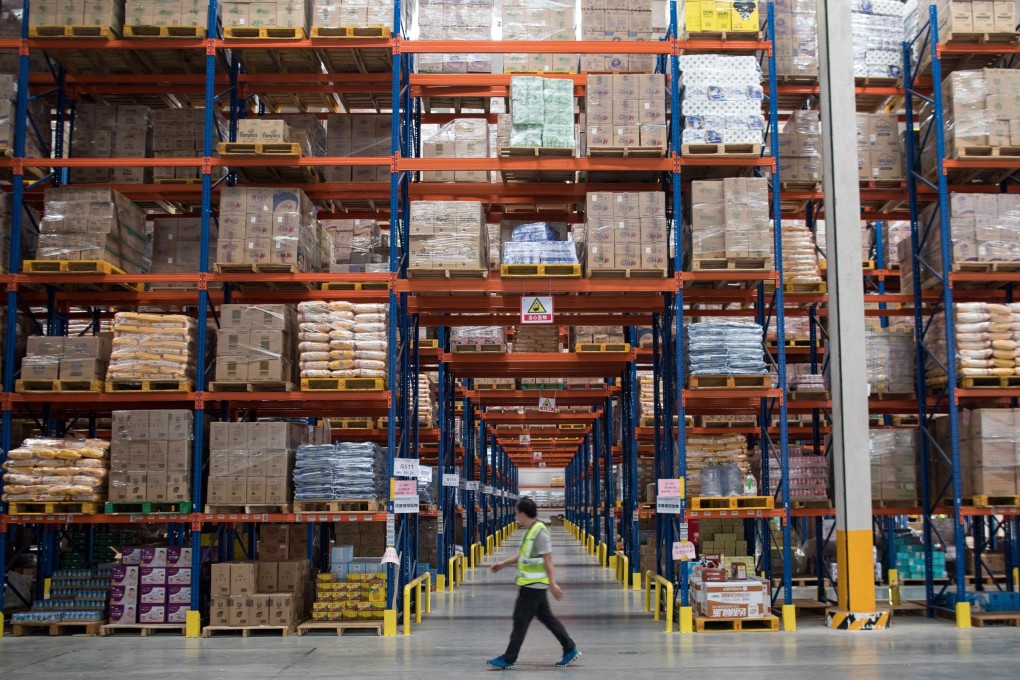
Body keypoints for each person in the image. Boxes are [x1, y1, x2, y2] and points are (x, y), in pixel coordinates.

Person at [487, 497, 580, 670]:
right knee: (547, 618)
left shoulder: (540, 531)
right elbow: (523, 555)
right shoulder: (530, 531)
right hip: (530, 585)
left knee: (520, 621)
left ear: (523, 513)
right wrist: (502, 564)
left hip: (534, 586)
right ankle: (570, 648)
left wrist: (553, 583)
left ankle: (509, 658)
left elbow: (548, 559)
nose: (516, 517)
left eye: (517, 514)